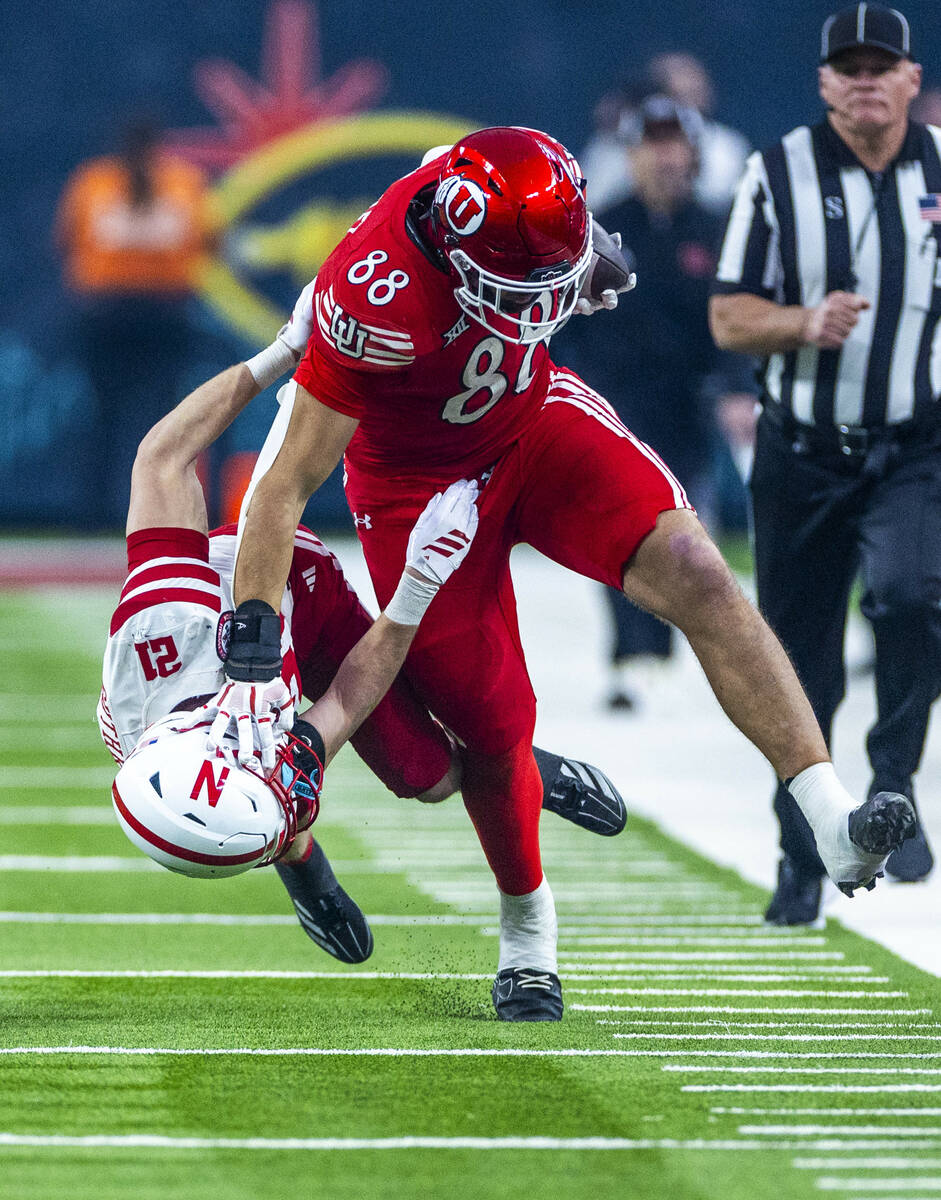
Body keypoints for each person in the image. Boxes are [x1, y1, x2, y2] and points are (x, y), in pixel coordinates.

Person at [220, 125, 914, 1021]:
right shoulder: (371, 295)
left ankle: (829, 822)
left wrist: (579, 266)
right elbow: (281, 486)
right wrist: (248, 658)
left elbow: (556, 257)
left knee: (696, 568)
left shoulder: (522, 194)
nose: (539, 305)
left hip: (530, 424)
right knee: (486, 720)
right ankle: (526, 931)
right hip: (412, 486)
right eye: (519, 289)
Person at [98, 287, 627, 965]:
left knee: (434, 751)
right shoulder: (255, 778)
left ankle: (516, 769)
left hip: (284, 587)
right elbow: (344, 699)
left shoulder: (160, 629)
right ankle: (304, 867)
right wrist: (417, 585)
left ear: (174, 741)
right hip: (268, 697)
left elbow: (161, 458)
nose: (261, 756)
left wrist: (280, 355)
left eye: (251, 766)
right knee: (426, 776)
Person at [711, 3, 937, 925]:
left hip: (914, 445)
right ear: (823, 84)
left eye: (881, 65)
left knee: (915, 598)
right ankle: (800, 852)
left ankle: (894, 783)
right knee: (796, 666)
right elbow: (728, 316)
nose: (865, 80)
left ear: (911, 79)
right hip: (800, 450)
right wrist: (803, 322)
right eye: (847, 67)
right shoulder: (777, 173)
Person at [558, 94, 756, 710]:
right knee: (613, 524)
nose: (666, 157)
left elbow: (735, 320)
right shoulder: (600, 229)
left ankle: (663, 642)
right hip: (613, 405)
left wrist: (737, 387)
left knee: (681, 528)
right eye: (654, 144)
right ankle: (630, 650)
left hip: (688, 407)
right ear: (632, 154)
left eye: (677, 144)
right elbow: (568, 321)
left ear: (694, 154)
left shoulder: (719, 230)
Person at [55, 116, 213, 528]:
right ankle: (95, 515)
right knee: (105, 413)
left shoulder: (182, 183)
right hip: (111, 314)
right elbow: (67, 240)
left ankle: (160, 516)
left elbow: (208, 241)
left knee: (164, 418)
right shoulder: (95, 182)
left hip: (161, 314)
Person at [582, 55, 751, 216]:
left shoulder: (725, 147)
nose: (666, 158)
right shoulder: (609, 151)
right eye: (655, 141)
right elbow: (590, 205)